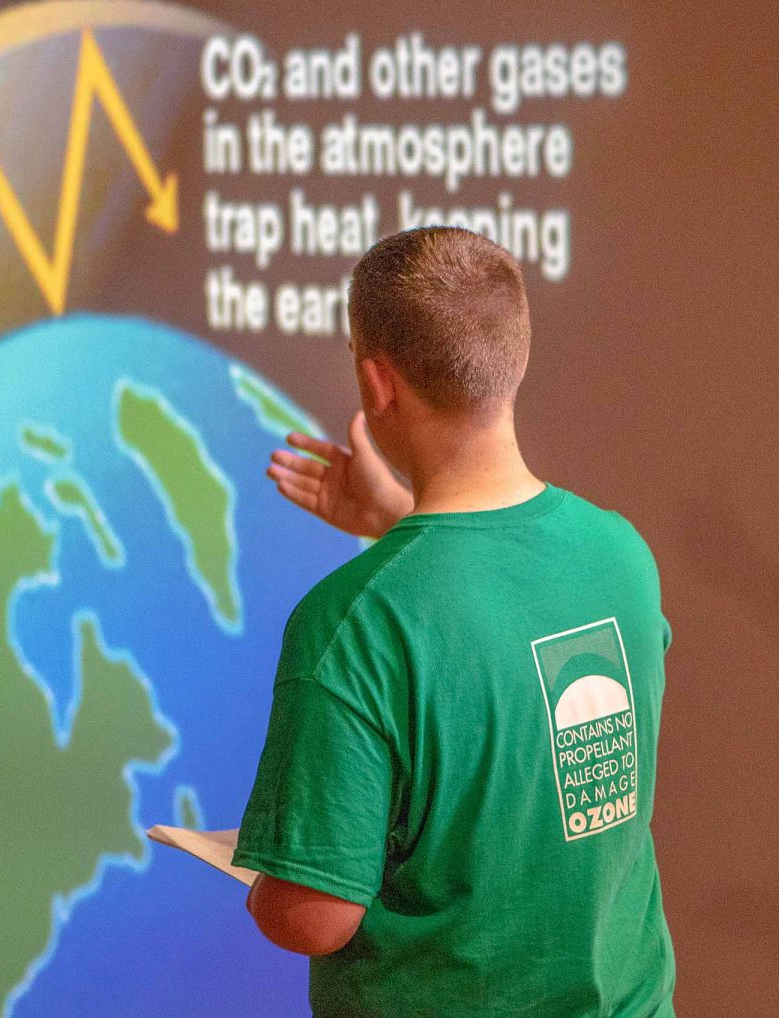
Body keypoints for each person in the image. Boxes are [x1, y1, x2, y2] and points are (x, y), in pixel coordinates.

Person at [232, 226, 674, 1015]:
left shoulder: (352, 626)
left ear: (377, 383)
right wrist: (399, 517)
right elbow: (498, 631)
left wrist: (272, 874)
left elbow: (315, 918)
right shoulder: (621, 556)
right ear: (516, 356)